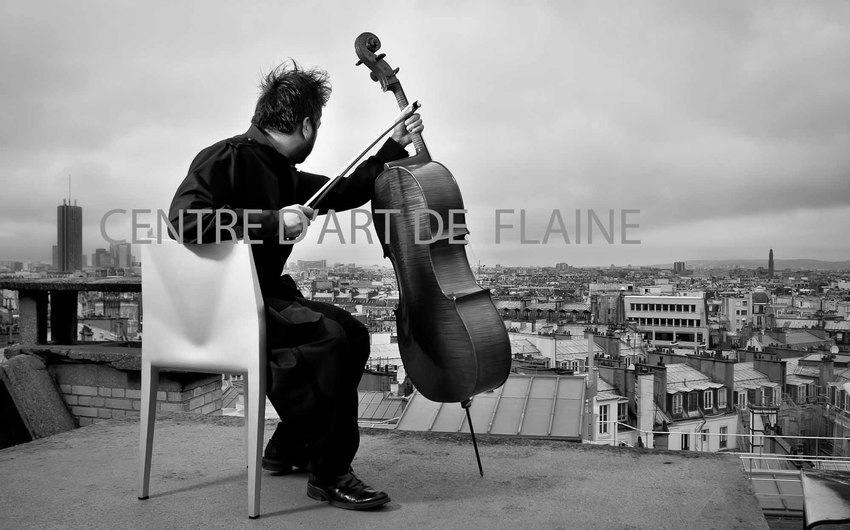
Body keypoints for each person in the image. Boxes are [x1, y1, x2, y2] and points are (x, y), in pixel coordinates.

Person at [167, 60, 423, 510]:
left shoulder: (282, 171)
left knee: (354, 332)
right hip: (229, 307)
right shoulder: (226, 156)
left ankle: (289, 447)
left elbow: (340, 190)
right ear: (307, 124)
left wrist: (391, 149)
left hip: (261, 297)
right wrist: (272, 220)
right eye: (318, 124)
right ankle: (329, 473)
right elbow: (183, 220)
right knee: (325, 340)